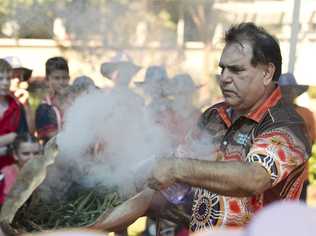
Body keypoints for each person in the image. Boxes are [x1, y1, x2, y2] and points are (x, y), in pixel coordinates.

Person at [90, 22, 311, 232]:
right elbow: (165, 192)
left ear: (267, 73)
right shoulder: (214, 116)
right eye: (223, 69)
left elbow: (254, 178)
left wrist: (176, 168)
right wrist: (87, 227)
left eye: (236, 70)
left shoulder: (287, 125)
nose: (224, 78)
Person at [278, 73, 316, 201]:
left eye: (289, 90)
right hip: (276, 178)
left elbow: (311, 141)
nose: (286, 94)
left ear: (295, 92)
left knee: (297, 215)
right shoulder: (272, 114)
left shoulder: (306, 114)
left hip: (300, 176)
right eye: (283, 91)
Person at [0, 59, 29, 205]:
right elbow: (14, 139)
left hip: (10, 175)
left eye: (8, 78)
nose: (5, 83)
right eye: (0, 78)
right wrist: (9, 138)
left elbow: (22, 143)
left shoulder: (17, 108)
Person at [35, 57, 70, 143]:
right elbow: (52, 137)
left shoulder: (76, 102)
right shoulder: (44, 108)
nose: (61, 82)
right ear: (47, 80)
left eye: (64, 78)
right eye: (57, 78)